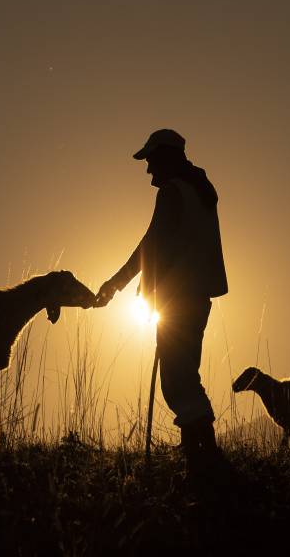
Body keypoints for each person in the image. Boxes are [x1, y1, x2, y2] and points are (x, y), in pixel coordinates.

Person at [95, 129, 229, 475]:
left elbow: (152, 244)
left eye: (151, 160)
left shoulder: (172, 193)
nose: (148, 169)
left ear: (167, 157)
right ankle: (200, 450)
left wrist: (116, 283)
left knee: (175, 377)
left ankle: (202, 457)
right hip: (197, 296)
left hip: (177, 296)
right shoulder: (200, 191)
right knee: (185, 372)